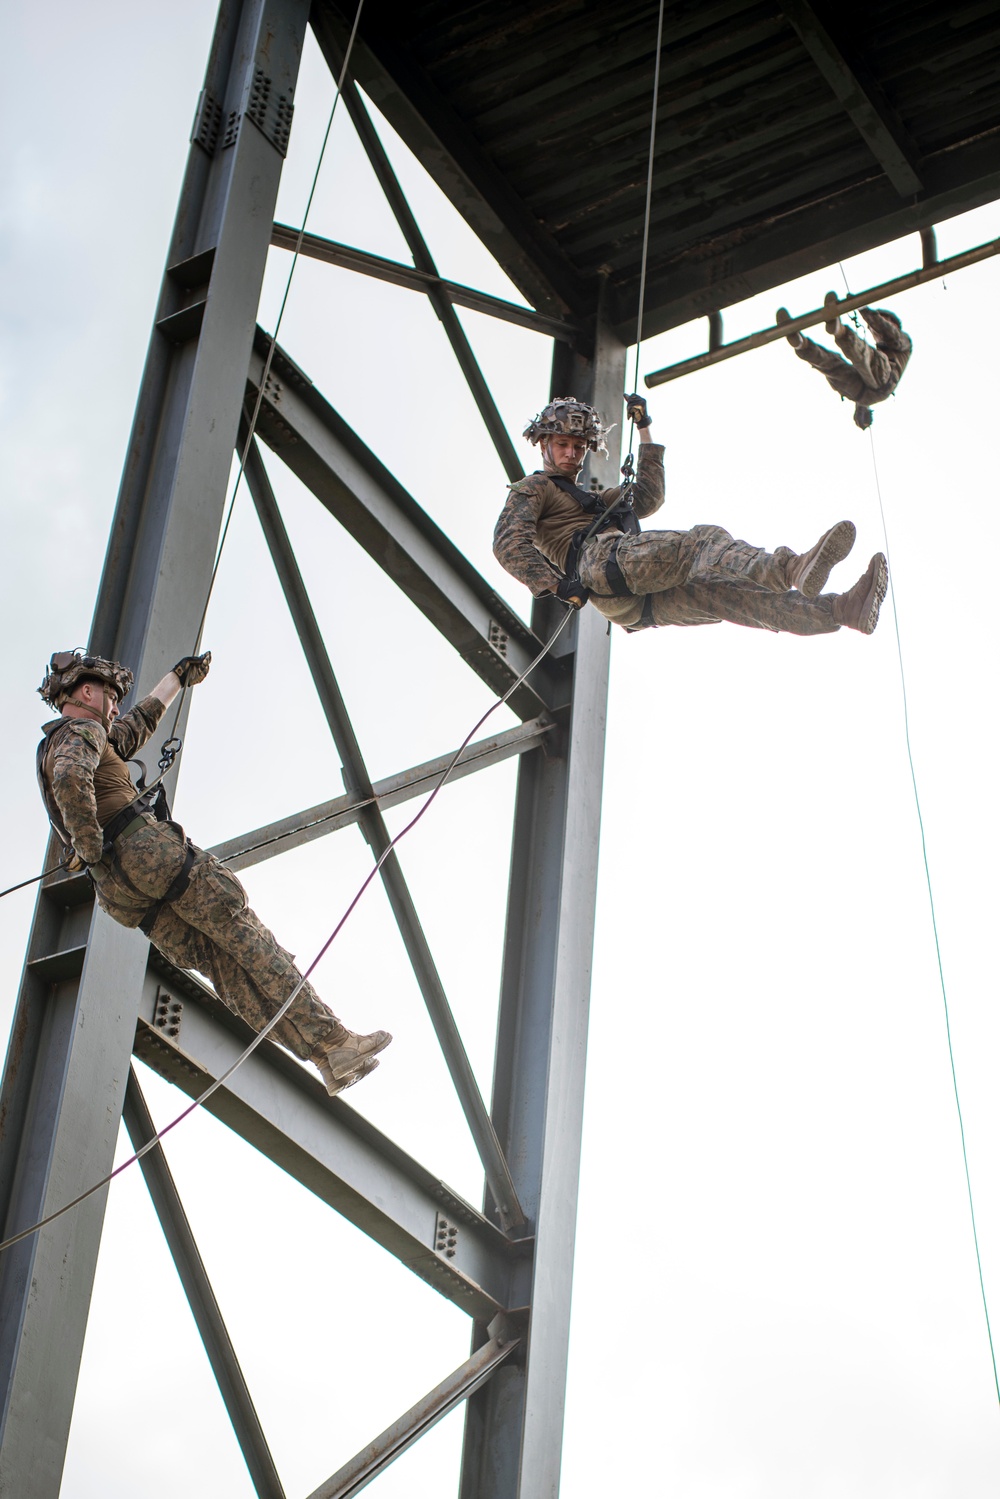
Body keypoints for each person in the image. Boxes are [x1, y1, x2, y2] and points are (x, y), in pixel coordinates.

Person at [36, 649, 391, 1096]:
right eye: (110, 698)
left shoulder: (73, 742)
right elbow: (72, 779)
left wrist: (177, 679)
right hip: (156, 860)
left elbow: (137, 724)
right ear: (87, 691)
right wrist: (88, 844)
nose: (115, 709)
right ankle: (335, 1041)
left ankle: (325, 1058)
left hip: (126, 897)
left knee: (230, 973)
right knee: (247, 938)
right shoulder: (83, 732)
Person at [493, 395, 887, 635]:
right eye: (562, 444)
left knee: (732, 596)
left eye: (578, 447)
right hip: (600, 565)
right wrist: (557, 585)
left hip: (631, 604)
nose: (571, 454)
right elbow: (508, 543)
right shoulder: (536, 488)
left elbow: (648, 496)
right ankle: (791, 569)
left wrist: (644, 427)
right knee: (700, 541)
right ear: (543, 443)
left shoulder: (598, 501)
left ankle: (840, 611)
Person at [776, 294, 912, 429]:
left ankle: (840, 331)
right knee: (834, 367)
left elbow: (886, 331)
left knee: (866, 356)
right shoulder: (882, 352)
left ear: (894, 324)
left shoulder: (904, 344)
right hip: (863, 396)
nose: (874, 332)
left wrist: (862, 307)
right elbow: (866, 384)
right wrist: (862, 415)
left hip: (885, 383)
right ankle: (801, 344)